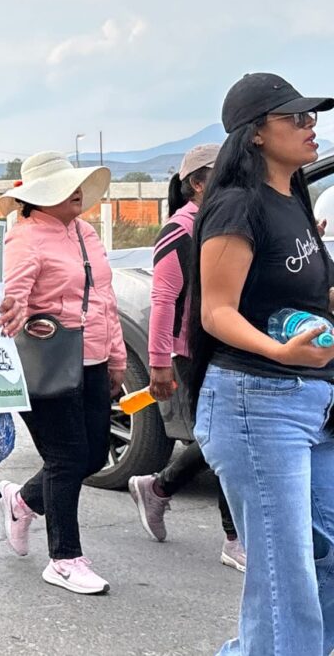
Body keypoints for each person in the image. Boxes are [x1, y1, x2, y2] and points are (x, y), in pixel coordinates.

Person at [190, 73, 334, 655]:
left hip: (312, 399)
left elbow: (298, 294)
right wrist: (278, 349)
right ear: (255, 135)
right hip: (256, 401)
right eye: (295, 118)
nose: (311, 125)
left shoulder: (292, 199)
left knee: (324, 552)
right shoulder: (236, 204)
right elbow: (216, 311)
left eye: (311, 116)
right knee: (285, 572)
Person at [0, 152, 126, 595]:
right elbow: (11, 300)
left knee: (91, 456)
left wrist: (116, 356)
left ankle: (23, 501)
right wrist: (14, 313)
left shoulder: (85, 232)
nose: (76, 193)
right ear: (38, 198)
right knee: (67, 458)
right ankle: (65, 557)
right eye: (64, 188)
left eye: (77, 185)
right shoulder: (25, 239)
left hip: (92, 361)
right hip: (47, 362)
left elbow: (104, 298)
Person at [126, 144, 244, 571]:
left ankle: (158, 488)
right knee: (226, 441)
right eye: (222, 174)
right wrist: (159, 362)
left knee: (224, 439)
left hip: (232, 347)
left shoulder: (226, 225)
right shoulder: (180, 232)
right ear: (197, 184)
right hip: (193, 353)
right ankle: (234, 539)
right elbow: (162, 300)